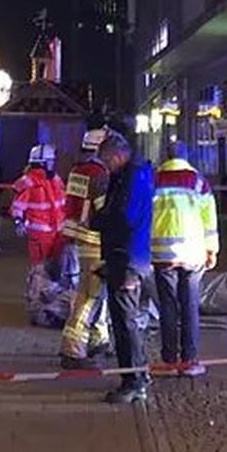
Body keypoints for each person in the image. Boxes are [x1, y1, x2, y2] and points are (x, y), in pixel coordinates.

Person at [91, 130, 154, 405]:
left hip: (127, 258)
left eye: (107, 162)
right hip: (127, 256)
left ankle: (134, 381)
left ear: (117, 156)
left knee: (124, 322)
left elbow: (125, 216)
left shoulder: (132, 178)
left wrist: (100, 220)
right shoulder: (132, 174)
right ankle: (137, 374)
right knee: (125, 320)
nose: (106, 168)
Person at [151, 142, 218, 376]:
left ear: (165, 156)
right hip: (192, 253)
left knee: (167, 307)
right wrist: (212, 249)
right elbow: (209, 218)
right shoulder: (198, 182)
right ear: (186, 156)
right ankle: (190, 360)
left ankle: (169, 361)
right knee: (190, 306)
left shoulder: (154, 180)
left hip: (162, 254)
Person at [59, 127, 113, 368]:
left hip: (80, 238)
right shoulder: (100, 173)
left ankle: (98, 339)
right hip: (95, 239)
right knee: (90, 295)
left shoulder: (77, 170)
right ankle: (72, 349)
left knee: (96, 291)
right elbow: (104, 211)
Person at [11, 143, 67, 326]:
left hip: (57, 233)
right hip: (40, 235)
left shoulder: (55, 180)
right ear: (42, 163)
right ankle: (37, 310)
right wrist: (18, 221)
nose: (53, 164)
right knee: (40, 272)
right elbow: (18, 206)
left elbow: (62, 203)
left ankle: (50, 308)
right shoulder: (29, 182)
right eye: (50, 162)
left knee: (54, 273)